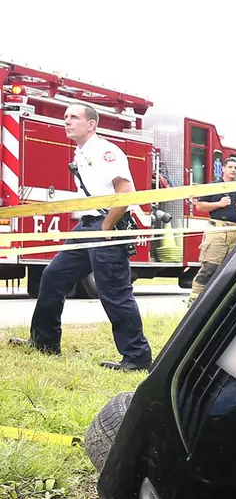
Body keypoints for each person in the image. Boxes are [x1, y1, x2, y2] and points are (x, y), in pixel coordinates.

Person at [8, 104, 152, 372]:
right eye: (65, 117)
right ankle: (44, 342)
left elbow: (126, 192)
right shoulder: (82, 152)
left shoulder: (105, 151)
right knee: (53, 277)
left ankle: (137, 358)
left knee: (114, 293)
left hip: (105, 227)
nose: (67, 122)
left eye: (74, 117)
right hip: (86, 227)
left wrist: (106, 226)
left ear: (91, 124)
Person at [186, 157, 236, 305]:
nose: (233, 170)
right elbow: (200, 206)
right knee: (210, 266)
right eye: (230, 167)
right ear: (223, 169)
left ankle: (228, 301)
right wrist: (219, 204)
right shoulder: (213, 186)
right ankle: (194, 299)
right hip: (218, 230)